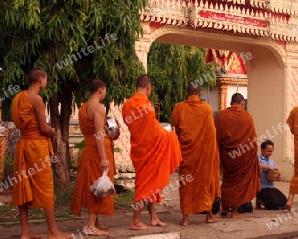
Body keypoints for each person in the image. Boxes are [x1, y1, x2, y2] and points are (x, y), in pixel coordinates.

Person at [12, 68, 71, 239]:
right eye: (46, 80)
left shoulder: (18, 98)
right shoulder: (36, 99)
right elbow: (44, 128)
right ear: (40, 80)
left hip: (23, 145)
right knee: (46, 187)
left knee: (23, 186)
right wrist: (53, 131)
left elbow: (20, 123)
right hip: (37, 147)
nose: (46, 83)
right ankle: (53, 232)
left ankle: (25, 232)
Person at [122, 75, 182, 229]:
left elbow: (136, 127)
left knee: (150, 185)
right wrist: (171, 135)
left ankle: (153, 217)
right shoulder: (147, 107)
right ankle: (135, 221)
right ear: (148, 87)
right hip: (149, 152)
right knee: (143, 187)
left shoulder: (127, 105)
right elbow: (154, 133)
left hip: (138, 150)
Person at [171, 81, 221, 226]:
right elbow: (211, 134)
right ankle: (209, 215)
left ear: (187, 93)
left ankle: (185, 218)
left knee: (187, 186)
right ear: (199, 94)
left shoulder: (179, 108)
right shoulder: (206, 109)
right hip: (204, 156)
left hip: (186, 155)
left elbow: (176, 131)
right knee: (205, 184)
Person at [71, 78, 116, 236]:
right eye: (105, 91)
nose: (105, 93)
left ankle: (95, 221)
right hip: (97, 152)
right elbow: (98, 134)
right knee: (97, 187)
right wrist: (103, 158)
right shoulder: (98, 107)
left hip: (89, 150)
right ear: (101, 90)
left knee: (94, 184)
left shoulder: (83, 107)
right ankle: (90, 226)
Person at [214, 93, 261, 218]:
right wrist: (251, 156)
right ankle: (234, 212)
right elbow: (253, 141)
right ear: (242, 103)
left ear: (230, 103)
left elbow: (216, 137)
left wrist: (219, 155)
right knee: (238, 183)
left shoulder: (220, 116)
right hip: (241, 157)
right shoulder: (247, 117)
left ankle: (224, 208)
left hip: (226, 155)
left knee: (227, 180)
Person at [256, 140, 287, 210]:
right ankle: (260, 200)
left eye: (271, 151)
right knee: (274, 204)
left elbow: (275, 172)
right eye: (268, 151)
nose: (270, 153)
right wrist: (268, 167)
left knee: (284, 201)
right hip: (262, 187)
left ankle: (266, 202)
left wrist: (278, 177)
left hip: (271, 186)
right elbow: (257, 165)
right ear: (262, 150)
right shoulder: (258, 160)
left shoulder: (271, 161)